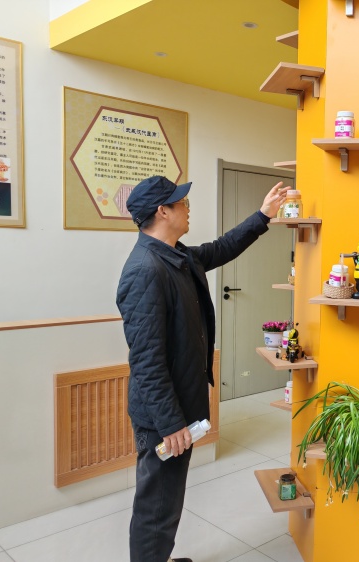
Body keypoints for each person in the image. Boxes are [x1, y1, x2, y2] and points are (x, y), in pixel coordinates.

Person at [117, 175, 288, 562]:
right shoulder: (145, 270)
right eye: (181, 202)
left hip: (179, 406)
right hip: (164, 416)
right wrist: (170, 423)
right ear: (163, 211)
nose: (187, 207)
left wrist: (263, 215)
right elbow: (146, 361)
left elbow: (222, 247)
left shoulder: (176, 256)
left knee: (167, 499)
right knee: (157, 505)